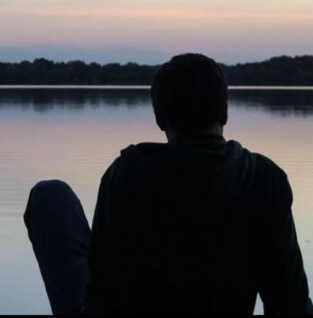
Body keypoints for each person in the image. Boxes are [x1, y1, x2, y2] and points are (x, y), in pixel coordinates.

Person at [24, 53, 312, 315]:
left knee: (50, 195)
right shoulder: (263, 178)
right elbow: (291, 304)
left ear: (160, 119)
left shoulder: (127, 173)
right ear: (224, 112)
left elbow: (101, 293)